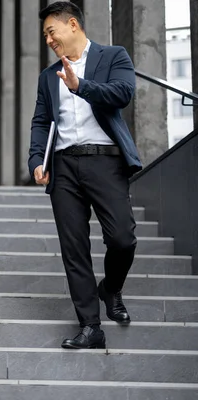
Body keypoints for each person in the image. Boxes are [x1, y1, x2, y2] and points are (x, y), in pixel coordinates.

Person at [28, 2, 142, 349]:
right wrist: (37, 158)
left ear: (72, 24)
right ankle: (90, 326)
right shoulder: (48, 77)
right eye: (45, 34)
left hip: (105, 161)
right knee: (73, 249)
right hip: (63, 167)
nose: (48, 39)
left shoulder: (113, 56)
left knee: (123, 238)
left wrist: (81, 86)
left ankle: (110, 288)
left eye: (51, 31)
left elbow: (123, 94)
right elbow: (41, 121)